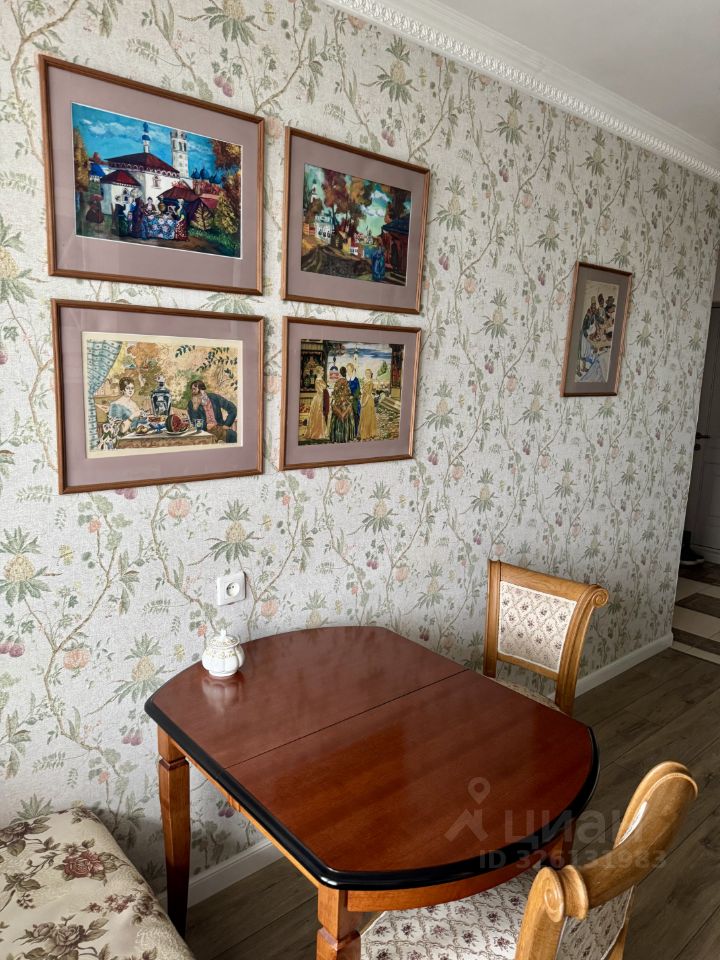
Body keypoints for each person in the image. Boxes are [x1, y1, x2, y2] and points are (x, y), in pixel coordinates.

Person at [187, 379, 237, 443]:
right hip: (204, 432)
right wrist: (205, 426)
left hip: (220, 428)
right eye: (192, 389)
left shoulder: (214, 397)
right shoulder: (191, 403)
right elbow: (195, 422)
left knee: (234, 436)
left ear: (202, 389)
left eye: (194, 389)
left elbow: (232, 408)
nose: (193, 392)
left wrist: (227, 424)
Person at [328, 367, 356, 443]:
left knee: (337, 418)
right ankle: (345, 437)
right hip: (345, 403)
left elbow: (335, 392)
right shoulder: (346, 381)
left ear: (339, 373)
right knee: (346, 418)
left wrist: (335, 397)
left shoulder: (338, 381)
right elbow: (349, 393)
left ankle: (338, 437)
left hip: (338, 403)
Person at [306, 375, 330, 440]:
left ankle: (319, 431)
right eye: (322, 371)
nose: (323, 372)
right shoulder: (318, 380)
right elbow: (320, 390)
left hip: (319, 398)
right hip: (319, 399)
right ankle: (319, 432)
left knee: (318, 415)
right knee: (319, 415)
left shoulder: (319, 379)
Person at [358, 369, 378, 440]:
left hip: (368, 401)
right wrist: (361, 400)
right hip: (364, 399)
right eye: (366, 373)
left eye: (368, 373)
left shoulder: (371, 382)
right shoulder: (364, 381)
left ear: (371, 374)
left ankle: (368, 433)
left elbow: (369, 394)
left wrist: (364, 403)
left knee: (368, 417)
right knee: (363, 416)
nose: (367, 374)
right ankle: (363, 432)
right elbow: (362, 392)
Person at [346, 363, 361, 435]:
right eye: (347, 369)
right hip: (347, 401)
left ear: (352, 369)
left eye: (349, 369)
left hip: (354, 401)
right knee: (347, 417)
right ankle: (348, 433)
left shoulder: (356, 380)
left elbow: (358, 391)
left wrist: (353, 397)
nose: (348, 370)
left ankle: (355, 433)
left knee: (355, 417)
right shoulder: (346, 379)